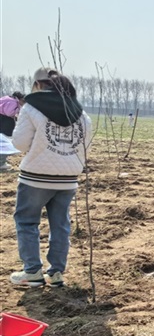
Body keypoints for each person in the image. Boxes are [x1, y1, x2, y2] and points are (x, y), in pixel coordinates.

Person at [10, 69, 92, 287]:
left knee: (27, 221)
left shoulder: (32, 108)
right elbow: (85, 146)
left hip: (35, 177)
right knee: (61, 224)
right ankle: (56, 273)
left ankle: (33, 272)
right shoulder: (81, 114)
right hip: (67, 179)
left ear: (38, 84)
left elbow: (19, 143)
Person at [0, 91, 24, 170]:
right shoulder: (13, 102)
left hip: (2, 121)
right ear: (19, 98)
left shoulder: (5, 98)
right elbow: (9, 113)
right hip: (5, 122)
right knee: (5, 143)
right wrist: (17, 111)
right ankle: (1, 163)